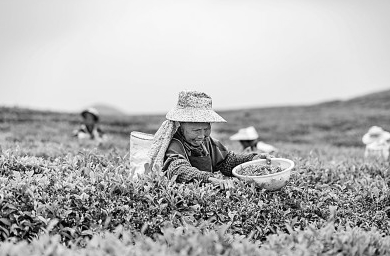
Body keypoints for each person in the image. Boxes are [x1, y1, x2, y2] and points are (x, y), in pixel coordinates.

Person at [146, 90, 273, 189]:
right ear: (181, 125)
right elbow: (177, 169)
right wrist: (209, 179)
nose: (202, 136)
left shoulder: (207, 142)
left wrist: (252, 159)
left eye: (206, 129)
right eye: (196, 130)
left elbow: (227, 161)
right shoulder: (174, 145)